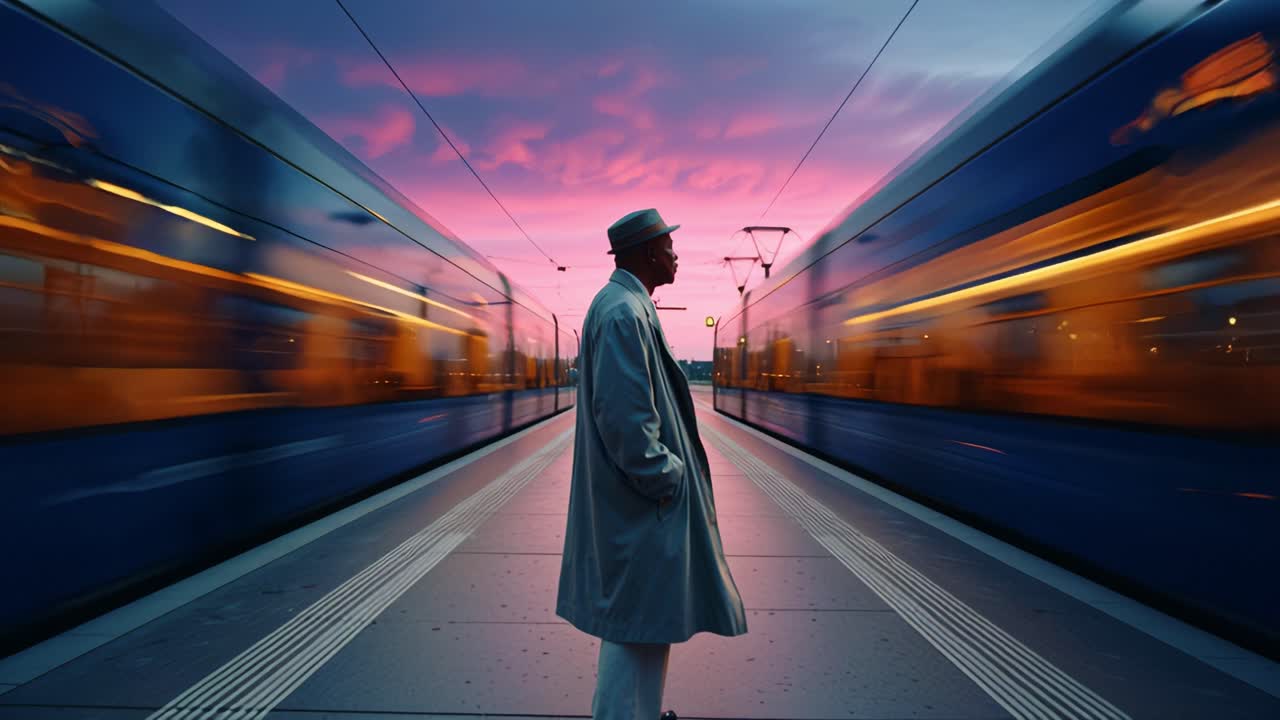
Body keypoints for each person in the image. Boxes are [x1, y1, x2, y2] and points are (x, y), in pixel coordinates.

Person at [556, 209, 747, 720]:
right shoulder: (623, 312)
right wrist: (667, 477)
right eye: (668, 244)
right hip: (640, 509)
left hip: (638, 508)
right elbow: (625, 422)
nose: (675, 253)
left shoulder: (624, 305)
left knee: (643, 625)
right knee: (634, 629)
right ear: (645, 252)